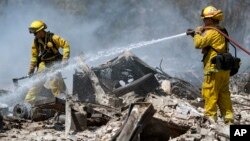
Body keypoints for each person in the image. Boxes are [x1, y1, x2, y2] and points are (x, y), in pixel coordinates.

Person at [187, 6, 234, 124]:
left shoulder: (212, 32)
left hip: (213, 70)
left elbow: (199, 44)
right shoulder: (222, 30)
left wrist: (197, 33)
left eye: (205, 19)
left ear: (210, 19)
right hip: (224, 70)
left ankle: (211, 121)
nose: (203, 22)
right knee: (224, 95)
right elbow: (210, 44)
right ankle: (229, 121)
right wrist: (197, 33)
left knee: (210, 93)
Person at [25, 20, 70, 103]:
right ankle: (27, 104)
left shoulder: (53, 38)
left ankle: (62, 103)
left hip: (55, 63)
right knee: (36, 84)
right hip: (43, 64)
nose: (34, 35)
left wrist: (65, 59)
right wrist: (31, 70)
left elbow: (66, 45)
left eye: (35, 33)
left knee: (55, 84)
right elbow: (34, 57)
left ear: (41, 30)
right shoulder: (36, 42)